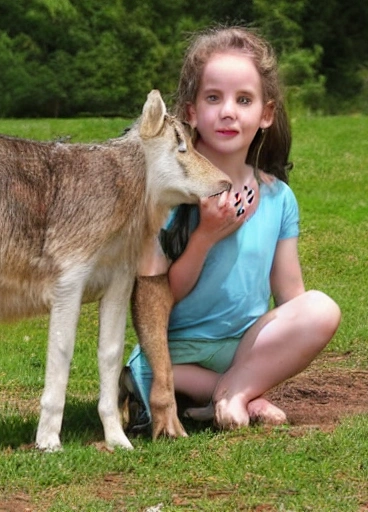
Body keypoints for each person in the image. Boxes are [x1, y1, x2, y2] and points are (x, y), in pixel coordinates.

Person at [124, 25, 341, 430]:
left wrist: (277, 353)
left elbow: (290, 296)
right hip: (175, 354)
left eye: (244, 99)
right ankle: (241, 395)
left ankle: (233, 392)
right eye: (213, 98)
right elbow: (159, 298)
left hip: (244, 348)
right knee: (153, 373)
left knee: (321, 308)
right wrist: (205, 236)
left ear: (266, 114)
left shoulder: (278, 198)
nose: (228, 111)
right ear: (190, 111)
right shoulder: (170, 195)